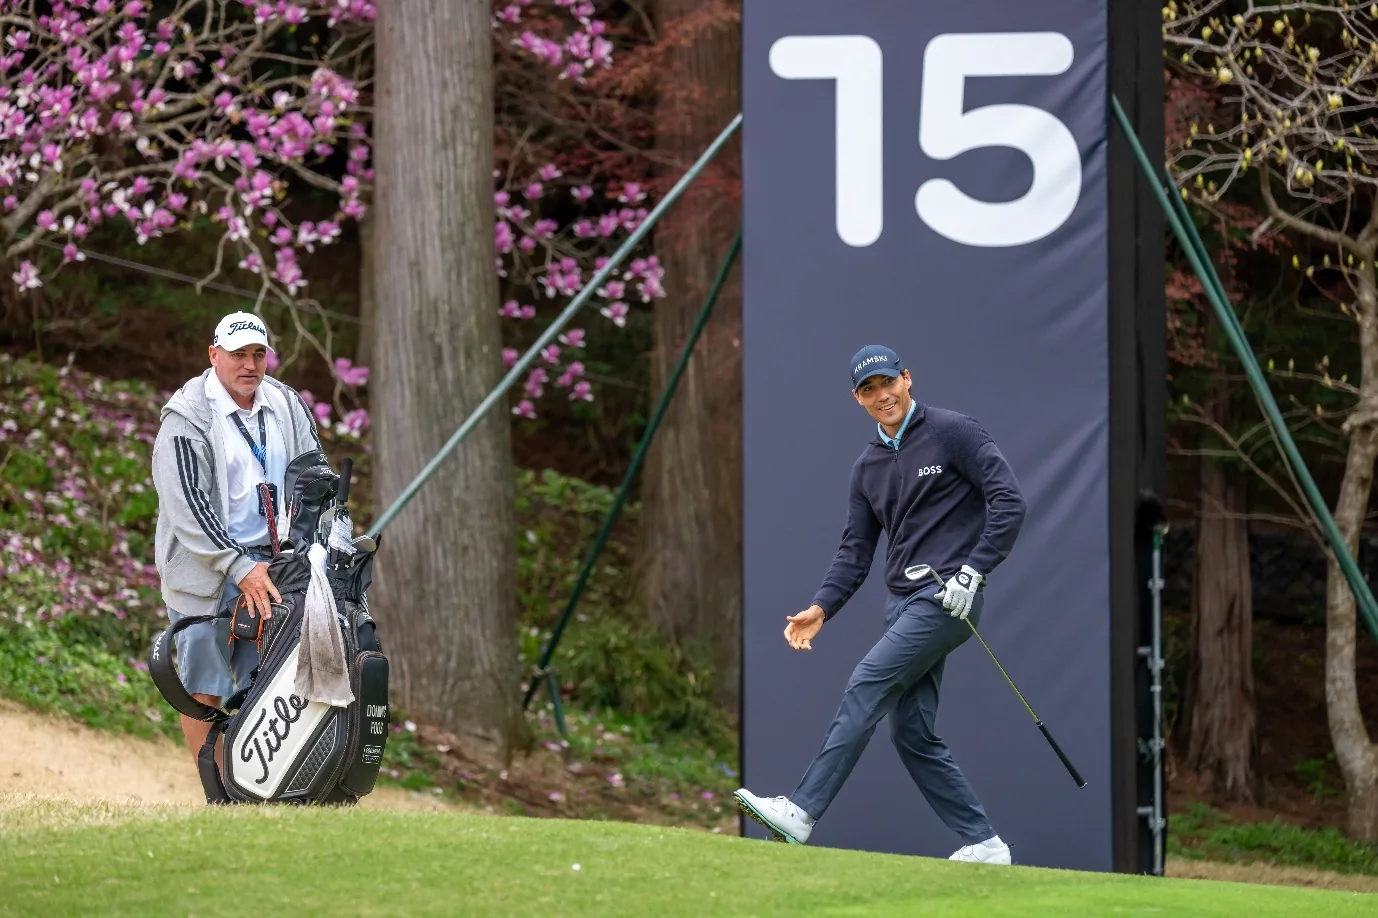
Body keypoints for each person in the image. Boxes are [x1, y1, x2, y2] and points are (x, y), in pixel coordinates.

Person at [734, 344, 1027, 864]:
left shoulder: (952, 431)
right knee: (912, 733)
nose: (882, 395)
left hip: (947, 596)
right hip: (902, 603)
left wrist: (974, 570)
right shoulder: (867, 467)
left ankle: (801, 810)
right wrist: (821, 608)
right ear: (857, 398)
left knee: (867, 683)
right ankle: (985, 843)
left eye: (888, 382)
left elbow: (1009, 500)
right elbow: (855, 550)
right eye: (868, 390)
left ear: (907, 378)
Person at [150, 311, 326, 765]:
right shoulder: (188, 416)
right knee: (203, 681)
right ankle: (215, 789)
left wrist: (309, 546)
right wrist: (238, 566)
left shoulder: (286, 403)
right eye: (237, 354)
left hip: (274, 565)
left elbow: (314, 476)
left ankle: (255, 782)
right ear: (214, 355)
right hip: (207, 567)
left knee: (269, 680)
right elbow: (187, 506)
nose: (249, 365)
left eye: (258, 354)